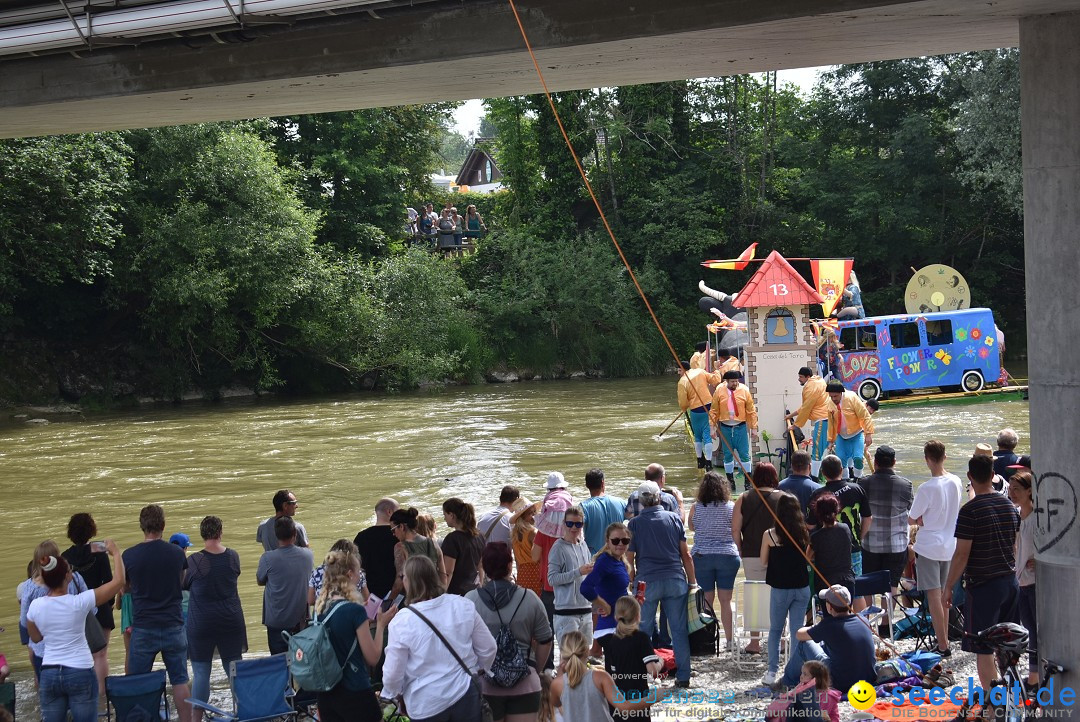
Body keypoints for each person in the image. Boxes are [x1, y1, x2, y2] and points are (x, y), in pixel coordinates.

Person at [381, 556, 497, 721]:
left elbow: (393, 675)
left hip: (425, 703)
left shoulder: (402, 621)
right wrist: (476, 670)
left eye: (403, 577)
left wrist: (396, 694)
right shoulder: (462, 604)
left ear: (409, 581)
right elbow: (489, 648)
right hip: (465, 694)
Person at [944, 454, 1021, 690]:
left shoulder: (970, 511)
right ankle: (1011, 696)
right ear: (993, 476)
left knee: (984, 648)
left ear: (970, 477)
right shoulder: (1009, 504)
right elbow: (1015, 545)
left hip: (984, 586)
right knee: (1008, 643)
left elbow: (961, 554)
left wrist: (948, 587)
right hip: (1010, 582)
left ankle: (993, 703)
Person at [26, 542, 125, 722]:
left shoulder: (35, 607)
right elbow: (118, 582)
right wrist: (116, 553)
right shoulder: (80, 602)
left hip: (50, 672)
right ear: (68, 577)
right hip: (80, 671)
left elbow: (35, 637)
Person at [466, 542, 553, 722]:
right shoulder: (530, 598)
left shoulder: (470, 601)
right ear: (509, 565)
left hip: (485, 684)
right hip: (526, 684)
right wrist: (535, 669)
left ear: (484, 566)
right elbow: (545, 640)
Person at [123, 504, 192, 721]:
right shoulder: (176, 553)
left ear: (141, 526)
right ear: (163, 525)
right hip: (173, 623)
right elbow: (180, 582)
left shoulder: (129, 555)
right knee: (180, 680)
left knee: (138, 683)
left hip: (144, 627)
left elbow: (125, 588)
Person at [313, 547, 397, 722]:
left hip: (326, 693)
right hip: (355, 689)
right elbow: (372, 657)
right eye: (359, 572)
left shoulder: (320, 608)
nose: (360, 576)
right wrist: (381, 625)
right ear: (350, 574)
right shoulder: (355, 611)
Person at [626, 481, 696, 689]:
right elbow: (686, 555)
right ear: (659, 498)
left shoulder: (635, 524)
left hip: (646, 582)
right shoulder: (674, 519)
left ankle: (642, 676)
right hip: (675, 579)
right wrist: (692, 582)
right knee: (678, 630)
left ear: (641, 501)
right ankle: (683, 676)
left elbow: (629, 559)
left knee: (643, 629)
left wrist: (631, 581)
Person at [184, 516, 247, 720]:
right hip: (231, 619)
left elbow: (184, 584)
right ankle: (244, 712)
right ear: (220, 532)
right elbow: (233, 574)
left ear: (202, 534)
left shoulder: (195, 560)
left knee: (201, 673)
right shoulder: (233, 556)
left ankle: (196, 718)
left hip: (202, 622)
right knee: (234, 670)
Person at [908, 440, 963, 658]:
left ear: (927, 460)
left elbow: (912, 518)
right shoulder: (956, 481)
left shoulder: (926, 488)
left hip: (929, 546)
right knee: (945, 596)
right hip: (950, 545)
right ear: (945, 457)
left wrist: (921, 520)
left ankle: (942, 645)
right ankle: (945, 638)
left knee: (933, 597)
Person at [21, 540, 94, 684]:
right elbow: (92, 610)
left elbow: (24, 621)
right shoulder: (74, 579)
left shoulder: (29, 587)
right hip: (75, 650)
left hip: (43, 653)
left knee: (48, 697)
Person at [730, 462, 784, 654]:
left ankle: (754, 642)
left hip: (751, 553)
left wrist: (740, 549)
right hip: (779, 553)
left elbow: (735, 529)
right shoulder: (784, 498)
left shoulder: (743, 498)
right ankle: (783, 640)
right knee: (780, 594)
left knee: (754, 594)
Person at [781, 585, 875, 692]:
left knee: (805, 644)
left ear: (829, 607)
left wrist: (816, 627)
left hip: (840, 683)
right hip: (868, 680)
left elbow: (799, 634)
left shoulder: (829, 625)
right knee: (823, 643)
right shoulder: (862, 619)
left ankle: (787, 682)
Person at [61, 513, 115, 699]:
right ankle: (102, 698)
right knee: (101, 655)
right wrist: (109, 603)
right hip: (100, 605)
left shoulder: (65, 557)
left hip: (76, 610)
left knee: (79, 656)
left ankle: (83, 696)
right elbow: (108, 580)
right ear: (91, 530)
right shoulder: (99, 549)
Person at [760, 493, 811, 687]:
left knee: (775, 630)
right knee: (797, 630)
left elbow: (764, 561)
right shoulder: (804, 532)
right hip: (801, 587)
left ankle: (772, 671)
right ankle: (797, 672)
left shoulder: (770, 534)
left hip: (781, 588)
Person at [687, 471, 740, 647]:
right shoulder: (731, 507)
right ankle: (730, 640)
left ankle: (709, 639)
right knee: (726, 600)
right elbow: (735, 528)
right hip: (727, 555)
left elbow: (692, 527)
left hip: (702, 556)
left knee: (706, 601)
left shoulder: (696, 507)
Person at [550, 631, 649, 722]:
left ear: (563, 655)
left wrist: (560, 675)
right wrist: (656, 696)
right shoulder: (601, 677)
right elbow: (624, 707)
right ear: (586, 652)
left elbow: (560, 706)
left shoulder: (557, 684)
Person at [858, 446, 912, 602]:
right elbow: (912, 513)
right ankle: (886, 624)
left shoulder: (864, 483)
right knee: (891, 586)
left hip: (869, 544)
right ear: (894, 462)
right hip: (896, 545)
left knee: (867, 584)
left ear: (875, 462)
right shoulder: (906, 485)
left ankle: (867, 622)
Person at [806, 455, 871, 584]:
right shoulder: (856, 489)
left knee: (830, 590)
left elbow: (810, 526)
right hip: (853, 548)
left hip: (826, 550)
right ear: (841, 470)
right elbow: (868, 518)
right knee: (856, 589)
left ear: (823, 473)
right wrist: (859, 537)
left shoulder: (818, 495)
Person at [255, 516, 313, 655]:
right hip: (300, 620)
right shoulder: (308, 555)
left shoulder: (267, 558)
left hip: (276, 620)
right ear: (295, 534)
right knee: (302, 664)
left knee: (279, 665)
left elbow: (260, 580)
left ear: (276, 536)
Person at [597, 597, 661, 721]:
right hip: (639, 699)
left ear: (616, 617)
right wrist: (661, 661)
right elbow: (653, 671)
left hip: (615, 699)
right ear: (638, 616)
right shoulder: (642, 638)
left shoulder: (608, 640)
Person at [1008, 470, 1038, 686]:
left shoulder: (1037, 517)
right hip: (1022, 580)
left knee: (1036, 631)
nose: (1012, 494)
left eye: (1017, 489)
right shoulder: (1019, 517)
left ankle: (1035, 676)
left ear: (1030, 491)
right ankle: (1034, 673)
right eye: (1010, 490)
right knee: (1029, 628)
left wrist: (1040, 559)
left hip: (1035, 582)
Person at [580, 523, 632, 648]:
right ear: (608, 542)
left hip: (621, 623)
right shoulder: (605, 561)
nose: (620, 544)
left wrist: (634, 601)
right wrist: (603, 605)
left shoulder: (619, 560)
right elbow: (585, 587)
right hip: (610, 627)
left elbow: (616, 592)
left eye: (624, 540)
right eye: (615, 541)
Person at [548, 505, 594, 645]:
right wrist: (578, 572)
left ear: (582, 525)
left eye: (578, 524)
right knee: (568, 660)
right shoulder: (558, 548)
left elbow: (588, 578)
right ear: (564, 524)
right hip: (566, 613)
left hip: (586, 610)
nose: (574, 528)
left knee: (584, 658)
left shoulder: (584, 545)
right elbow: (552, 579)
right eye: (570, 524)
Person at [536, 473, 575, 630]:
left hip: (549, 584)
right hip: (570, 585)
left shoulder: (543, 530)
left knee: (549, 629)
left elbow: (534, 555)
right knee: (570, 629)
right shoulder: (575, 530)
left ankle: (550, 655)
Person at [709, 370, 759, 489]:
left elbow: (751, 411)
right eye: (732, 381)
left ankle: (748, 481)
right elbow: (714, 410)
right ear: (726, 381)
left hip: (740, 426)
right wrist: (712, 427)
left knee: (744, 454)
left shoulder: (744, 390)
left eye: (736, 381)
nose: (735, 383)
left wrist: (754, 428)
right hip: (725, 427)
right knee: (727, 455)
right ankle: (730, 481)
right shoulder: (719, 390)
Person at [389, 508, 446, 598]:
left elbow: (400, 580)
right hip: (436, 596)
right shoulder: (433, 543)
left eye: (393, 530)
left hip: (416, 599)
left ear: (402, 527)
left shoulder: (400, 547)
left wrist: (389, 600)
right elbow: (443, 574)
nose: (393, 534)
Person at [786, 367, 832, 478]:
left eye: (801, 377)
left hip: (822, 420)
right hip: (827, 419)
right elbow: (805, 407)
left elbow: (806, 408)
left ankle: (814, 478)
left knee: (817, 451)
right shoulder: (818, 380)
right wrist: (791, 415)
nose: (799, 379)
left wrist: (795, 425)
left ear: (807, 377)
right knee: (825, 449)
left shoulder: (811, 387)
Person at [677, 361, 723, 471]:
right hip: (708, 406)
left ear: (683, 369)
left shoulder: (682, 381)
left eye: (679, 370)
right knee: (707, 435)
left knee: (697, 435)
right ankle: (708, 462)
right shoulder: (700, 372)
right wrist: (717, 369)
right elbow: (716, 380)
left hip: (695, 410)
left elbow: (683, 402)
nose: (678, 373)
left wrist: (684, 408)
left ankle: (699, 460)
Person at [353, 497, 400, 600]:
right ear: (389, 512)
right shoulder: (398, 536)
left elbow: (356, 567)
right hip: (395, 593)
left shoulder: (361, 537)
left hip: (369, 594)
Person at [825, 381, 874, 479]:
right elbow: (831, 424)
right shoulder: (830, 404)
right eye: (831, 397)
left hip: (856, 433)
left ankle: (858, 479)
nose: (833, 399)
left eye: (835, 396)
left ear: (841, 393)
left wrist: (868, 434)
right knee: (841, 461)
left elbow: (865, 416)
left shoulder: (852, 398)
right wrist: (830, 441)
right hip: (841, 436)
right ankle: (845, 481)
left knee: (858, 458)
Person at [441, 498, 486, 595]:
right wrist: (481, 584)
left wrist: (442, 594)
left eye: (445, 514)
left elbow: (448, 571)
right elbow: (481, 566)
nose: (444, 518)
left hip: (457, 592)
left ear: (452, 515)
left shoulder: (452, 539)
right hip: (475, 590)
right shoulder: (480, 536)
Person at [773, 661, 841, 722]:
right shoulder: (803, 686)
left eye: (805, 674)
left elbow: (819, 717)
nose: (801, 676)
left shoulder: (827, 696)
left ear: (816, 679)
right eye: (802, 673)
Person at [308, 539, 369, 606]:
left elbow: (310, 600)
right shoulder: (357, 573)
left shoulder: (317, 572)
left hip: (321, 610)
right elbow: (366, 598)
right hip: (352, 611)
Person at [580, 469, 627, 555]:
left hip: (594, 559)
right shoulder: (621, 502)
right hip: (617, 557)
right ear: (602, 483)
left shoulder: (583, 507)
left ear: (587, 485)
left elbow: (578, 534)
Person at [512, 500, 543, 596]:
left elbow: (517, 560)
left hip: (522, 573)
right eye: (531, 513)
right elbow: (539, 557)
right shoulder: (533, 532)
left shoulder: (514, 533)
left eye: (535, 512)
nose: (534, 515)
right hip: (535, 572)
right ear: (523, 517)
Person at [779, 451, 822, 517]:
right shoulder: (818, 489)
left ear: (791, 466)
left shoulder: (779, 487)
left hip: (784, 526)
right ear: (810, 466)